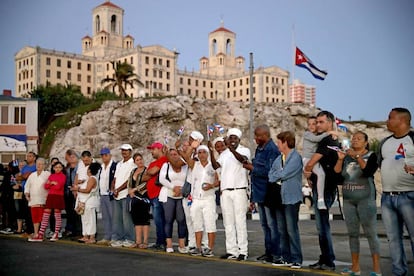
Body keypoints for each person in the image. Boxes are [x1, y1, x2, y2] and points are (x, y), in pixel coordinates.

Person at [333, 131, 381, 276]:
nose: (355, 140)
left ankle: (377, 269)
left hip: (365, 200)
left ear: (366, 142)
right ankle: (355, 268)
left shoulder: (371, 155)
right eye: (353, 138)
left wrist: (357, 156)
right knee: (352, 234)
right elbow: (337, 175)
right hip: (348, 200)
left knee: (371, 233)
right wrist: (341, 159)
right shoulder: (347, 156)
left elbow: (368, 171)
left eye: (359, 139)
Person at [378, 107, 414, 276]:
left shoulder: (412, 139)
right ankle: (399, 272)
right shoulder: (384, 142)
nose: (387, 120)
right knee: (393, 239)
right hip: (387, 197)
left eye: (390, 118)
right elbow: (379, 165)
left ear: (402, 120)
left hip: (409, 196)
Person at [304, 110, 342, 271]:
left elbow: (315, 158)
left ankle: (328, 260)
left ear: (330, 123)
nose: (318, 125)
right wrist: (309, 176)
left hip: (326, 190)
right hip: (321, 188)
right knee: (321, 227)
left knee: (323, 227)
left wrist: (308, 168)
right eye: (316, 122)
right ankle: (325, 258)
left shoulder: (328, 139)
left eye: (321, 122)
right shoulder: (327, 138)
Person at [242, 125, 281, 264]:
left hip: (268, 193)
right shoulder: (260, 149)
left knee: (272, 225)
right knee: (265, 225)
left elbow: (270, 172)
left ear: (265, 135)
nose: (255, 138)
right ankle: (268, 252)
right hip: (259, 193)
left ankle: (277, 254)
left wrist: (252, 168)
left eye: (258, 136)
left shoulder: (271, 150)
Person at [212, 128, 251, 261]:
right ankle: (231, 251)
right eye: (230, 138)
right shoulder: (224, 154)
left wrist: (231, 148)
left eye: (235, 138)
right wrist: (211, 153)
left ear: (239, 139)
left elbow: (242, 160)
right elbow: (216, 166)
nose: (232, 140)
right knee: (228, 223)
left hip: (239, 190)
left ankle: (243, 251)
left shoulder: (244, 150)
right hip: (226, 192)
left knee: (240, 222)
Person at [268, 131, 304, 269]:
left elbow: (284, 173)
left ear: (285, 142)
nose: (277, 144)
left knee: (291, 229)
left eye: (279, 142)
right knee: (282, 230)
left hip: (291, 198)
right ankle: (286, 257)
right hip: (279, 198)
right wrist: (278, 175)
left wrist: (278, 175)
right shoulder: (279, 158)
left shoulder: (295, 158)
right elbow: (270, 175)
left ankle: (296, 258)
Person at [187, 145, 219, 257]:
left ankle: (210, 248)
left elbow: (219, 181)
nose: (201, 154)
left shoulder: (213, 166)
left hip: (208, 198)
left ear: (207, 154)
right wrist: (191, 147)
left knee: (210, 223)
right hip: (196, 199)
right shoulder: (195, 165)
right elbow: (186, 157)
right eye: (199, 152)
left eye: (204, 152)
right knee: (197, 224)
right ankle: (198, 247)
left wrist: (211, 186)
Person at [159, 148, 188, 253]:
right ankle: (169, 244)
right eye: (171, 154)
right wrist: (173, 187)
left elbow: (189, 178)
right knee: (168, 219)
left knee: (181, 220)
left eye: (175, 154)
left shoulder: (185, 165)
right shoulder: (166, 165)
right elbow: (162, 179)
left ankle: (181, 244)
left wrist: (181, 189)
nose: (173, 156)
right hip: (168, 195)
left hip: (181, 195)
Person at [29, 161, 66, 242]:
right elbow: (46, 186)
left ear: (62, 168)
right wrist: (52, 183)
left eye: (60, 167)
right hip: (50, 196)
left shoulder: (63, 176)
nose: (58, 169)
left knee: (57, 215)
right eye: (56, 167)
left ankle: (56, 233)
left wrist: (51, 183)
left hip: (58, 196)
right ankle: (41, 234)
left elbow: (58, 186)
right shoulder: (51, 175)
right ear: (53, 168)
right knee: (46, 214)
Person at [142, 141, 168, 250]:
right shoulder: (154, 163)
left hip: (158, 194)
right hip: (152, 195)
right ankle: (160, 241)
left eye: (153, 149)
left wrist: (150, 172)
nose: (151, 152)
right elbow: (144, 177)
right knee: (157, 220)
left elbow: (152, 172)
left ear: (159, 149)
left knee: (160, 219)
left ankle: (162, 241)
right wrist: (150, 172)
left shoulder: (164, 160)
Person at [110, 144, 136, 248]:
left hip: (125, 194)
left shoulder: (132, 164)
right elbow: (115, 178)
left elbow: (129, 180)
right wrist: (113, 188)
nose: (124, 152)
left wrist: (118, 189)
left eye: (126, 151)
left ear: (130, 152)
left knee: (127, 219)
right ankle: (118, 238)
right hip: (117, 195)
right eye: (122, 150)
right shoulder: (119, 164)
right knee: (117, 218)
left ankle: (129, 239)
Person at [302, 116, 331, 210]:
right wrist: (328, 133)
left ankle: (320, 199)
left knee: (321, 174)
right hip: (307, 159)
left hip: (314, 159)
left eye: (313, 124)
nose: (311, 126)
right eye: (309, 124)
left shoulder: (319, 135)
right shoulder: (307, 134)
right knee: (311, 176)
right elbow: (316, 140)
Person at [72, 162, 101, 244]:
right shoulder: (89, 179)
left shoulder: (92, 178)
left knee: (90, 219)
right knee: (85, 219)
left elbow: (87, 190)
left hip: (90, 202)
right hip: (84, 202)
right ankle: (85, 235)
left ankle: (91, 236)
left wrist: (77, 189)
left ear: (90, 170)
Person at [128, 153, 151, 249]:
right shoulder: (133, 171)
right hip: (134, 198)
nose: (140, 161)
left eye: (140, 159)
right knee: (136, 220)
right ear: (134, 162)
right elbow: (129, 182)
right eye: (137, 160)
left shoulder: (147, 170)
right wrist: (130, 190)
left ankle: (145, 242)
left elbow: (147, 182)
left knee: (144, 219)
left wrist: (136, 189)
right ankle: (138, 241)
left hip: (143, 197)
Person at [24, 158, 50, 240]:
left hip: (43, 199)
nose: (38, 165)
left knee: (42, 217)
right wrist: (27, 194)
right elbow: (27, 186)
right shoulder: (32, 175)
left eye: (41, 164)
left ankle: (42, 233)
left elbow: (50, 186)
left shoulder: (47, 174)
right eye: (37, 163)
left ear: (44, 165)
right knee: (35, 218)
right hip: (33, 200)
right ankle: (36, 233)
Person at [96, 147, 117, 246]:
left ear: (110, 155)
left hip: (110, 195)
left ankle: (114, 237)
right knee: (105, 217)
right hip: (103, 194)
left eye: (106, 155)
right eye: (102, 155)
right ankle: (107, 236)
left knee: (113, 216)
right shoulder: (101, 167)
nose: (104, 157)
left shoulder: (115, 166)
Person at [63, 149, 81, 237]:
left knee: (77, 213)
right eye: (70, 157)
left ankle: (78, 231)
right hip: (68, 193)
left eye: (74, 157)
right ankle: (72, 230)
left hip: (77, 193)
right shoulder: (67, 169)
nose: (72, 158)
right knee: (69, 213)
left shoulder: (80, 168)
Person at [0, 161, 18, 234]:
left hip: (8, 196)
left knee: (8, 212)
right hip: (10, 196)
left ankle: (9, 226)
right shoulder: (15, 174)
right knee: (10, 212)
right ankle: (10, 226)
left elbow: (4, 186)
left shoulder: (9, 174)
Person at [12, 160, 27, 235]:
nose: (21, 166)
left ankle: (26, 228)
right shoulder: (15, 174)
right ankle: (19, 229)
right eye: (20, 165)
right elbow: (12, 183)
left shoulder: (28, 174)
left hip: (26, 193)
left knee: (26, 210)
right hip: (17, 193)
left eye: (23, 165)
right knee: (18, 210)